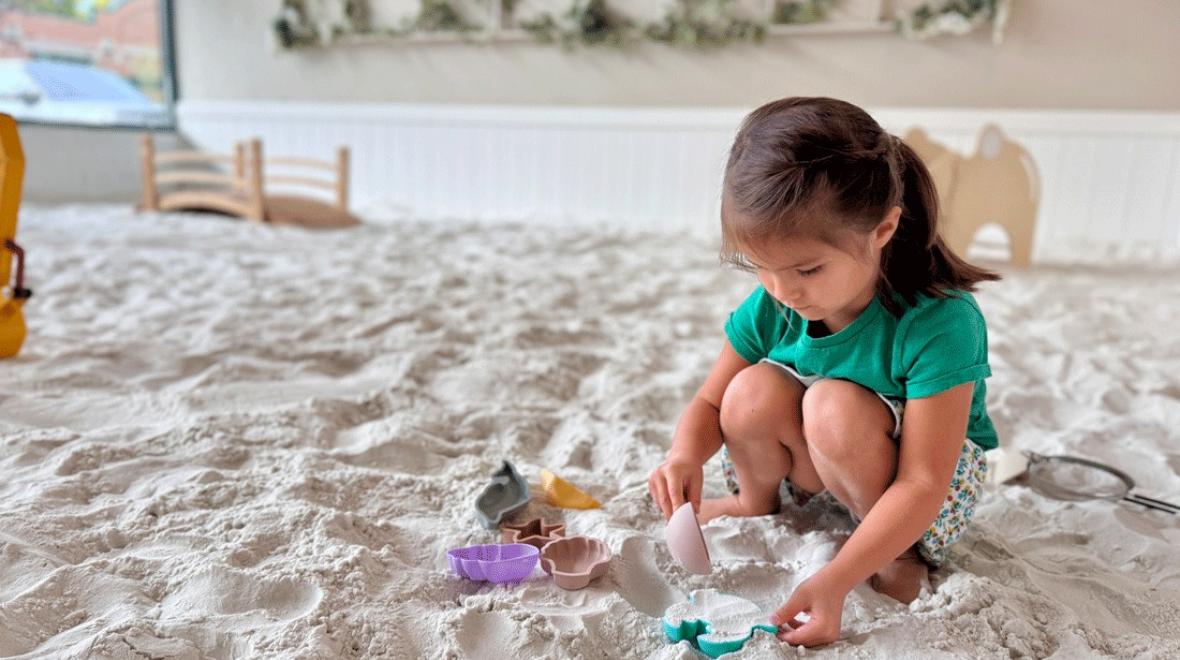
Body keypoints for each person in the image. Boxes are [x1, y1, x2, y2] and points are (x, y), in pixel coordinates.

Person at [647, 96, 1000, 648]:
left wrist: (837, 579)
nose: (782, 290)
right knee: (752, 389)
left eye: (807, 269)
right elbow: (712, 404)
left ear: (883, 230)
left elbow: (924, 481)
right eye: (760, 268)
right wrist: (684, 455)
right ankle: (755, 502)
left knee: (831, 403)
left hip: (920, 494)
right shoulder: (779, 299)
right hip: (822, 466)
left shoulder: (941, 322)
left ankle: (896, 551)